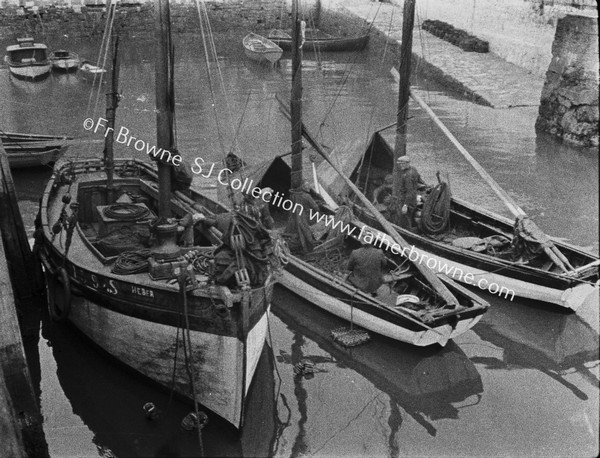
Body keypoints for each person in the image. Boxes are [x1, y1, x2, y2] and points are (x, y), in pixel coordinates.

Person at [283, 180, 321, 253]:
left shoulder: (294, 195)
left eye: (309, 185)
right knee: (320, 220)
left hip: (298, 217)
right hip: (308, 217)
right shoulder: (307, 196)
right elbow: (316, 208)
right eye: (307, 185)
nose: (309, 187)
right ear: (303, 187)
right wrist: (318, 208)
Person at [395, 156, 426, 230]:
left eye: (402, 164)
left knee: (405, 218)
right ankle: (414, 227)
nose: (400, 165)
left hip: (407, 200)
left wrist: (405, 205)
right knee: (411, 216)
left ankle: (407, 233)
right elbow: (419, 179)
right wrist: (425, 185)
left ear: (407, 163)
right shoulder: (413, 169)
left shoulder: (408, 175)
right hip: (412, 199)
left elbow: (410, 191)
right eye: (400, 164)